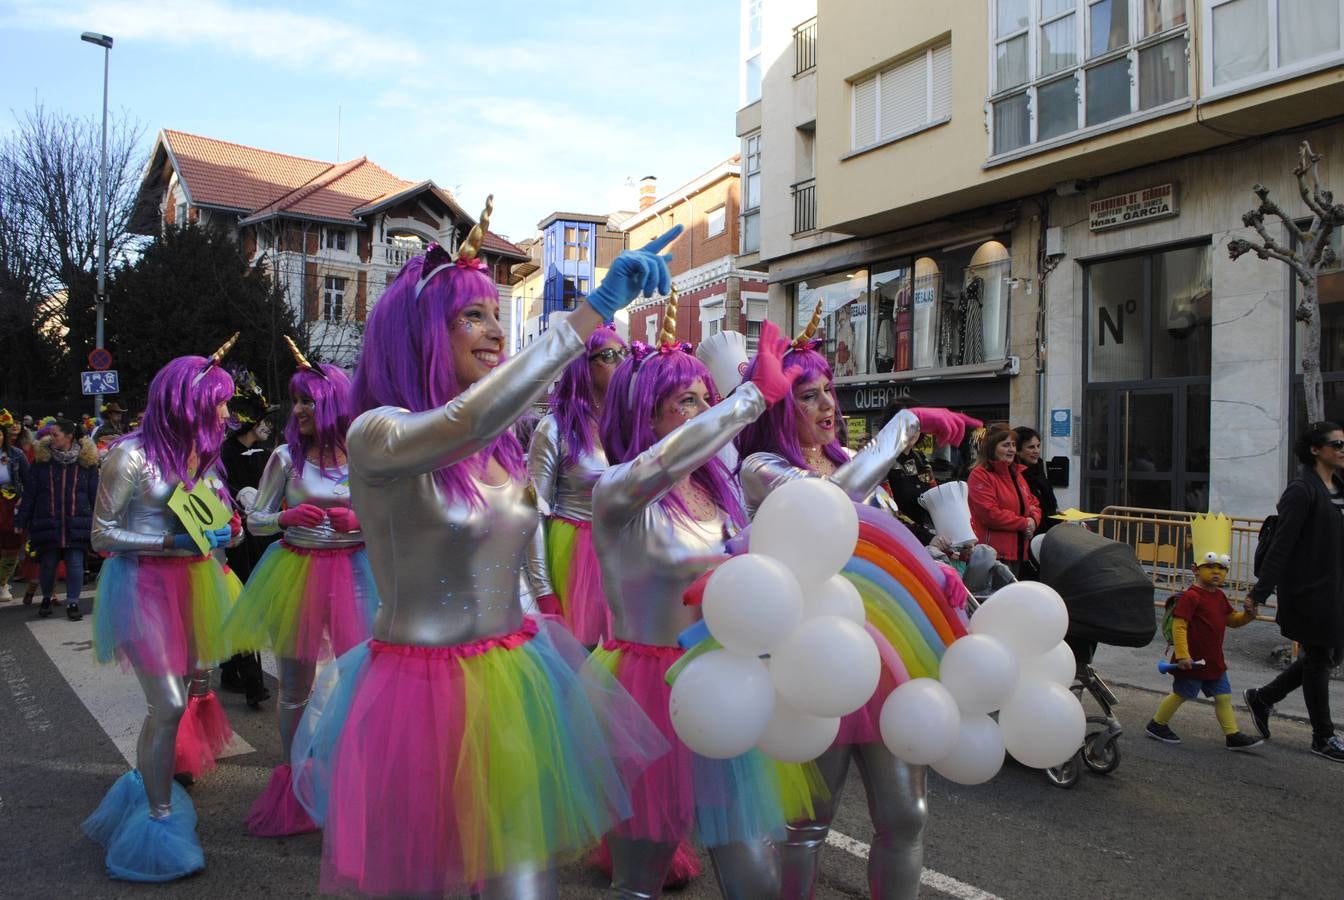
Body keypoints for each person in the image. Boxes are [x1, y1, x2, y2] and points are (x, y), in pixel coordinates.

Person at [290, 204, 671, 897]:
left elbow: (506, 532)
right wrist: (588, 315)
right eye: (475, 316)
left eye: (498, 315)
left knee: (523, 886)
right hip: (418, 696)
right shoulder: (379, 433)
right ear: (421, 332)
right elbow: (468, 419)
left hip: (516, 679)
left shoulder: (502, 443)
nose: (497, 332)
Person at [735, 306, 976, 900]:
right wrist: (906, 423)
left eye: (828, 393)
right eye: (807, 395)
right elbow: (828, 511)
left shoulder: (848, 461)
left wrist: (934, 568)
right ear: (776, 407)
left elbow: (887, 542)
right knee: (805, 823)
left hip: (887, 656)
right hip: (811, 658)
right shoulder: (762, 468)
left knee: (905, 817)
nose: (827, 407)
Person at [591, 295, 805, 898]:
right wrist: (748, 399)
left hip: (720, 683)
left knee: (753, 874)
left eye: (704, 398)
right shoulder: (617, 494)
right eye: (685, 401)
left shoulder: (720, 493)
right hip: (643, 696)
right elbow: (667, 460)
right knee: (638, 880)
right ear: (645, 416)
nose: (702, 411)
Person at [81, 341, 244, 883]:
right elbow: (101, 534)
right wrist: (171, 544)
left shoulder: (206, 457)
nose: (226, 414)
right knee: (168, 703)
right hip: (142, 587)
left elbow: (216, 516)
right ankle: (158, 816)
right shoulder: (129, 455)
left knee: (196, 685)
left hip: (196, 584)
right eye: (219, 403)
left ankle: (148, 781)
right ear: (186, 402)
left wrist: (229, 530)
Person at [224, 342, 377, 837]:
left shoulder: (366, 456)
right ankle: (294, 780)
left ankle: (350, 780)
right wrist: (284, 516)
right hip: (296, 573)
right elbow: (257, 521)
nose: (300, 410)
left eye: (309, 400)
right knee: (295, 687)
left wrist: (362, 521)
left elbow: (393, 519)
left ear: (333, 402)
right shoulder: (285, 457)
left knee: (357, 685)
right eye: (296, 401)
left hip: (357, 574)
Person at [1243, 421, 1344, 762]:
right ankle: (1323, 736)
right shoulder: (1302, 490)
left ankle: (1263, 697)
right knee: (1319, 658)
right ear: (1316, 449)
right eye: (1337, 444)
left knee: (1332, 654)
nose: (1342, 450)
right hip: (1309, 590)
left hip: (1336, 588)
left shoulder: (1339, 485)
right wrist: (1260, 593)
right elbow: (1282, 547)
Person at [527, 322, 627, 644]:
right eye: (609, 355)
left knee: (620, 658)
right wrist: (543, 588)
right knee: (575, 661)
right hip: (573, 556)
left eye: (624, 353)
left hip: (622, 554)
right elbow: (533, 512)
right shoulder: (553, 429)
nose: (621, 362)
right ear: (583, 365)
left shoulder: (630, 426)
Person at [1145, 514, 1263, 750]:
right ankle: (1157, 724)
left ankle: (1232, 735)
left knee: (1224, 696)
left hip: (1213, 661)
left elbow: (1232, 620)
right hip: (1192, 661)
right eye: (1210, 566)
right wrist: (1183, 654)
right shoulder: (1191, 596)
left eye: (1222, 567)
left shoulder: (1219, 596)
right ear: (1195, 569)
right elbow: (1180, 626)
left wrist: (1249, 615)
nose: (1217, 572)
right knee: (1182, 694)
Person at [218, 367, 277, 709]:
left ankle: (229, 667)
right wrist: (237, 497)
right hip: (241, 538)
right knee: (246, 604)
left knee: (264, 605)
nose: (268, 427)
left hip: (267, 536)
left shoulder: (271, 454)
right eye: (263, 420)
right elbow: (217, 491)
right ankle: (253, 682)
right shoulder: (224, 455)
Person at [14, 420, 99, 620]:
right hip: (47, 520)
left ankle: (73, 602)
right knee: (48, 564)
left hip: (77, 521)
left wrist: (101, 521)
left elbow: (95, 495)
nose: (51, 439)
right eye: (51, 435)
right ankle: (45, 598)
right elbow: (30, 494)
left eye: (56, 435)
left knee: (75, 563)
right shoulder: (41, 462)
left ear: (69, 436)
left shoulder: (86, 463)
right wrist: (21, 521)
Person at [967, 427, 1040, 576]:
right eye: (1006, 445)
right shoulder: (980, 475)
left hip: (1018, 553)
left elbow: (1033, 503)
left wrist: (1033, 520)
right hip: (993, 555)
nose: (1012, 449)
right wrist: (1024, 523)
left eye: (1013, 445)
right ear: (992, 448)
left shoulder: (1016, 473)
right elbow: (989, 514)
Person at [0, 413, 31, 602]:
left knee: (11, 547)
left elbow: (28, 482)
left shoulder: (16, 455)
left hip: (10, 506)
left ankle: (2, 583)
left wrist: (24, 499)